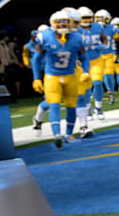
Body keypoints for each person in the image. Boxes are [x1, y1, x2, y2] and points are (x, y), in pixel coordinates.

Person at [32, 10, 92, 148]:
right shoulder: (45, 37)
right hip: (52, 76)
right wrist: (36, 78)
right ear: (53, 24)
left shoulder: (77, 38)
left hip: (70, 75)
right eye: (59, 23)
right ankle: (57, 135)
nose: (62, 26)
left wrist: (85, 71)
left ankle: (69, 134)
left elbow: (84, 57)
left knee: (71, 106)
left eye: (65, 22)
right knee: (54, 104)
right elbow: (36, 59)